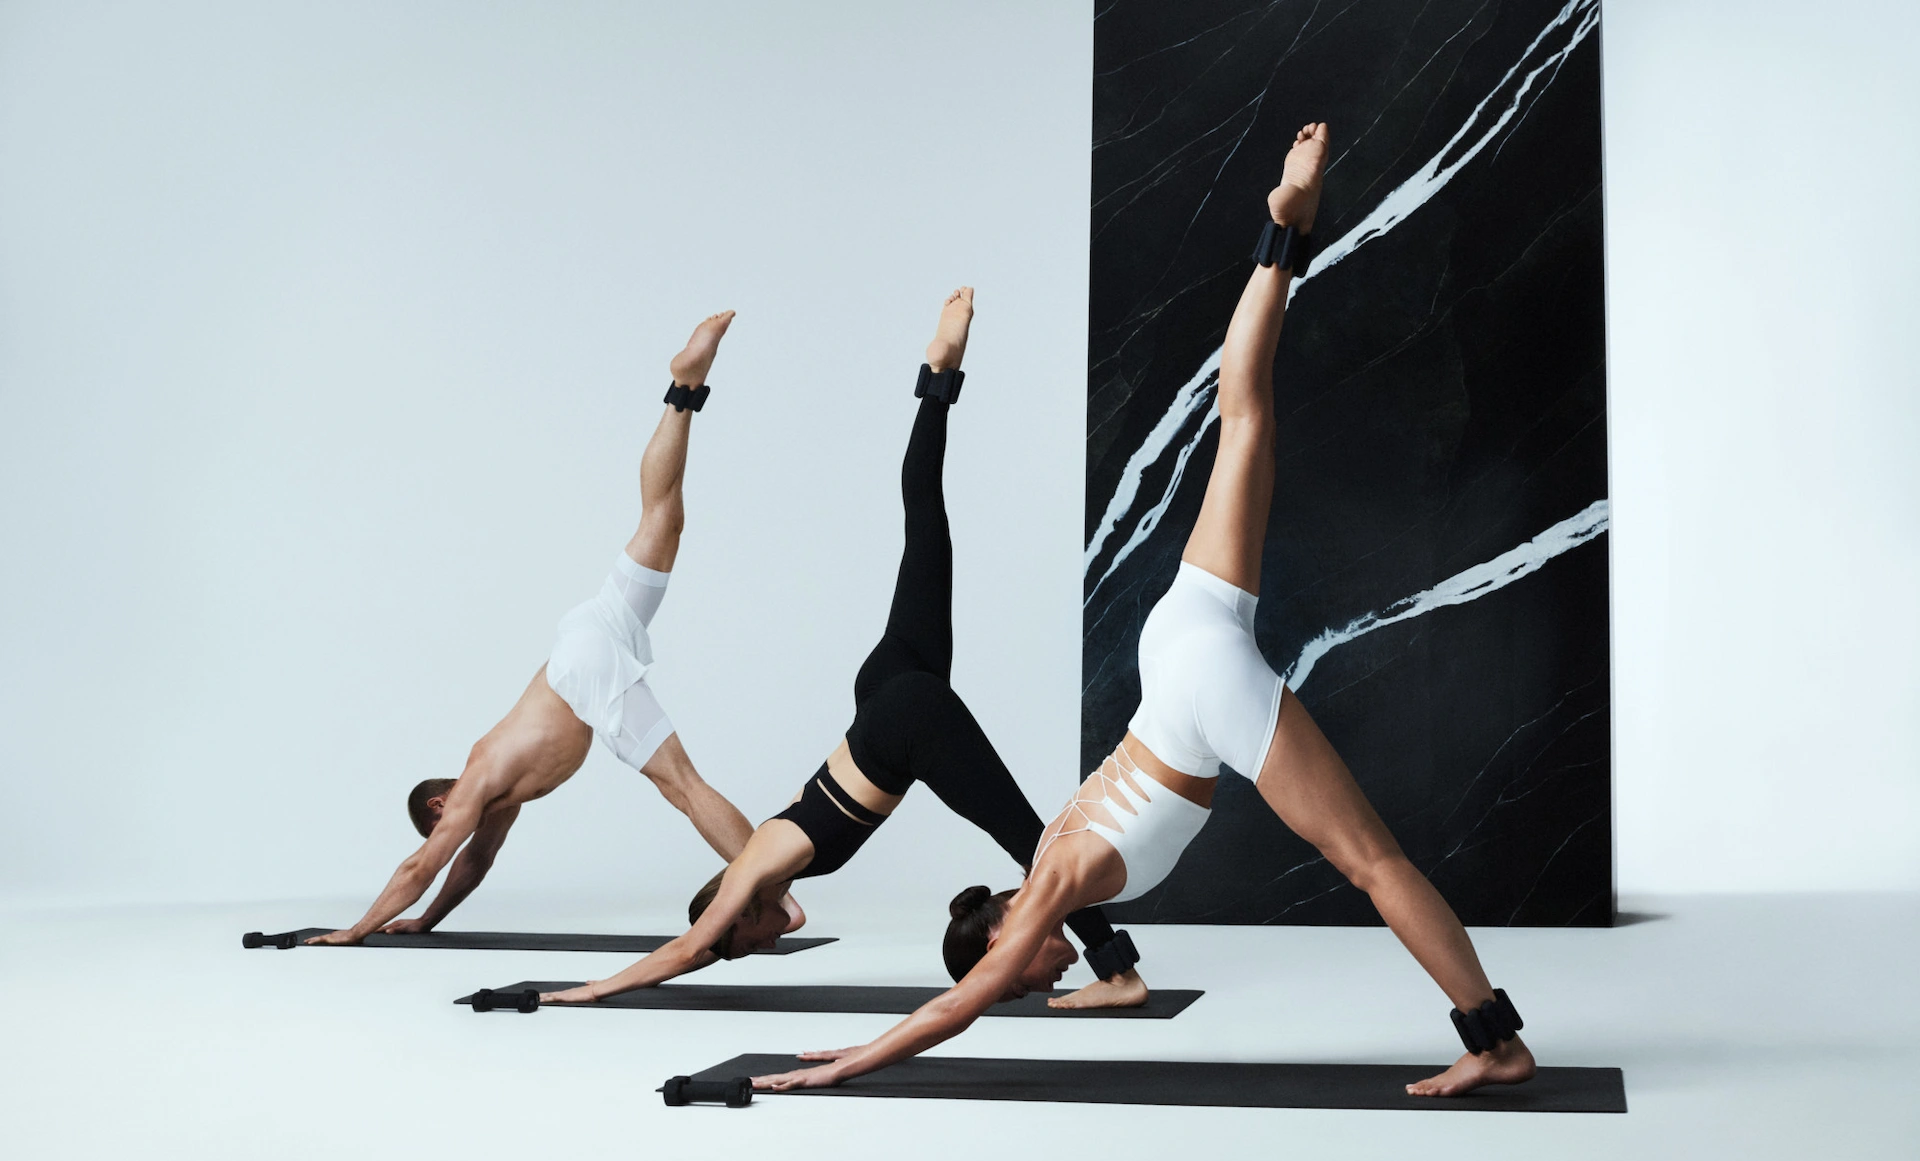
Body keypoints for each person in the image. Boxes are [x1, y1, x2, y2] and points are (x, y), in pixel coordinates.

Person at [752, 124, 1537, 1099]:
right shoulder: (1045, 854)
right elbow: (995, 976)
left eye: (1029, 974)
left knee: (1375, 862)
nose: (1043, 977)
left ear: (1000, 935)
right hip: (1171, 651)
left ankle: (1495, 1041)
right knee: (1242, 416)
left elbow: (960, 1003)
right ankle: (1281, 240)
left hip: (1201, 697)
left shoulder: (1048, 886)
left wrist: (847, 1060)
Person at [543, 289, 1147, 1004]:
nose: (766, 945)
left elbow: (688, 947)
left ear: (736, 913)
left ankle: (1119, 973)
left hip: (904, 725)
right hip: (884, 690)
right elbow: (741, 930)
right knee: (925, 522)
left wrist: (588, 990)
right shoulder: (771, 864)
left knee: (1034, 842)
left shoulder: (755, 867)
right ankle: (938, 378)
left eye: (748, 943)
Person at [306, 314, 795, 944]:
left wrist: (355, 930)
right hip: (590, 633)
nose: (451, 832)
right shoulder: (498, 796)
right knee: (661, 519)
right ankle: (683, 392)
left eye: (442, 825)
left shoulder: (477, 781)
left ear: (438, 806)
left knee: (683, 785)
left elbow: (421, 866)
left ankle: (776, 894)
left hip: (583, 667)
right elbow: (475, 862)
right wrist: (427, 919)